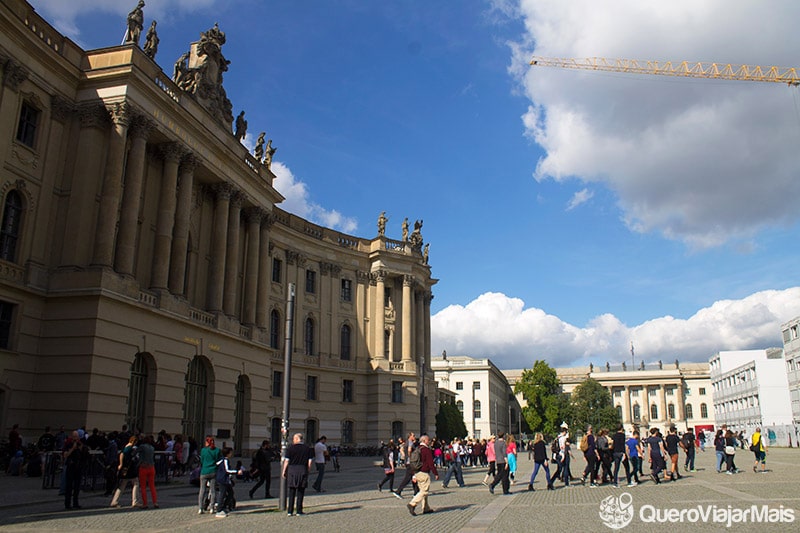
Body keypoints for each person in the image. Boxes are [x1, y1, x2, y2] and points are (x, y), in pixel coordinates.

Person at [282, 432, 313, 516]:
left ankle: (290, 511)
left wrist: (284, 471)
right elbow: (310, 461)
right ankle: (299, 511)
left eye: (293, 439)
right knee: (300, 491)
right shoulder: (307, 448)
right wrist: (308, 470)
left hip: (292, 470)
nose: (293, 441)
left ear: (296, 439)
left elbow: (286, 461)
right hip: (302, 469)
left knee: (291, 491)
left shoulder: (290, 448)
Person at [406, 434, 438, 515]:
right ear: (424, 441)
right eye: (428, 440)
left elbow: (414, 462)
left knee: (422, 490)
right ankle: (412, 504)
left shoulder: (417, 449)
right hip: (424, 473)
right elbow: (431, 463)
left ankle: (426, 508)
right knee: (424, 491)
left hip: (417, 472)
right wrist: (435, 473)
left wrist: (414, 474)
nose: (429, 441)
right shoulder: (426, 450)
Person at [110, 435, 141, 507]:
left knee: (122, 485)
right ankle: (135, 501)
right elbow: (122, 454)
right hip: (129, 469)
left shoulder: (127, 446)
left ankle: (115, 501)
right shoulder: (129, 447)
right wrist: (121, 464)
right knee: (136, 483)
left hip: (126, 469)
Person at [197, 436, 221, 514]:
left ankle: (200, 508)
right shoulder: (217, 450)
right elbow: (219, 460)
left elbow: (202, 460)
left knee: (202, 490)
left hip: (204, 471)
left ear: (207, 442)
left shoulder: (203, 450)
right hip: (213, 471)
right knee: (213, 490)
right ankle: (212, 508)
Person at [63, 431, 86, 509]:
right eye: (74, 436)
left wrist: (81, 448)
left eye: (77, 437)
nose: (75, 438)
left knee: (77, 487)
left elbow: (84, 455)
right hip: (70, 466)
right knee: (69, 486)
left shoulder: (80, 444)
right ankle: (67, 504)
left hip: (78, 467)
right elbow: (65, 455)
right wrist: (72, 448)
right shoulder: (68, 444)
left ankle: (75, 503)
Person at [391, 433, 418, 498]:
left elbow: (401, 449)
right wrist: (410, 457)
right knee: (408, 478)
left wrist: (404, 456)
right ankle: (398, 491)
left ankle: (416, 492)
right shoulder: (410, 443)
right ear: (410, 436)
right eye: (413, 435)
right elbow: (409, 450)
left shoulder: (406, 442)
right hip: (410, 462)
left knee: (413, 477)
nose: (415, 436)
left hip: (408, 462)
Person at [214, 447, 237, 517]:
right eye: (231, 452)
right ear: (228, 453)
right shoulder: (225, 460)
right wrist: (236, 472)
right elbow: (227, 470)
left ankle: (224, 507)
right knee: (222, 494)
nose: (231, 454)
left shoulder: (221, 460)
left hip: (225, 480)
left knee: (230, 493)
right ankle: (219, 510)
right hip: (223, 479)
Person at [138, 435, 158, 508]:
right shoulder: (152, 448)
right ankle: (155, 502)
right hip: (152, 467)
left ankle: (145, 503)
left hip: (143, 467)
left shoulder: (142, 446)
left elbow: (135, 453)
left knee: (143, 487)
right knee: (152, 486)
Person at [611, 423, 634, 487]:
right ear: (622, 428)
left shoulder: (614, 435)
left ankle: (615, 483)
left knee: (616, 468)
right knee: (627, 467)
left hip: (615, 452)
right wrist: (625, 453)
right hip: (621, 452)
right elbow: (623, 445)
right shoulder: (622, 435)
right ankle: (629, 482)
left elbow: (613, 444)